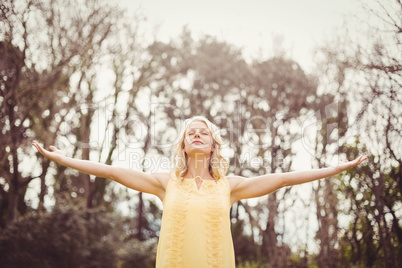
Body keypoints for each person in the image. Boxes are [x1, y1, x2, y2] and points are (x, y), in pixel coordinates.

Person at [32, 115, 367, 267]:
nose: (196, 135)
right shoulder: (166, 182)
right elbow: (112, 172)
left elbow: (283, 178)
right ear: (183, 143)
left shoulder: (229, 186)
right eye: (190, 132)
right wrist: (64, 159)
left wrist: (336, 168)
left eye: (203, 133)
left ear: (212, 145)